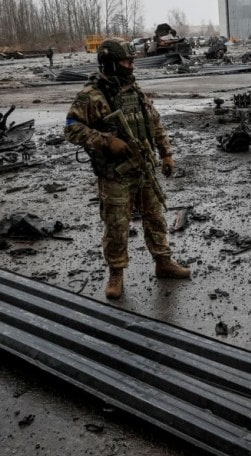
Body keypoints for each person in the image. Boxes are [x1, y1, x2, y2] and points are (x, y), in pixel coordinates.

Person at [64, 38, 190, 299]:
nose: (131, 66)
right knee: (116, 225)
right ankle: (116, 273)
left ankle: (163, 262)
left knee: (155, 217)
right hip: (115, 173)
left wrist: (166, 153)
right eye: (125, 61)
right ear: (110, 63)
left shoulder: (135, 91)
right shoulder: (91, 95)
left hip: (143, 167)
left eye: (132, 61)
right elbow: (71, 128)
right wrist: (106, 141)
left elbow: (154, 122)